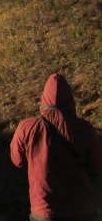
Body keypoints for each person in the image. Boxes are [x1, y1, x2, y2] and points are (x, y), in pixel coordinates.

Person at [11, 74, 102, 221]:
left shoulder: (26, 127)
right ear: (70, 100)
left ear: (44, 99)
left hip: (45, 210)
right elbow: (98, 165)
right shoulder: (85, 129)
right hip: (81, 210)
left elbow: (18, 161)